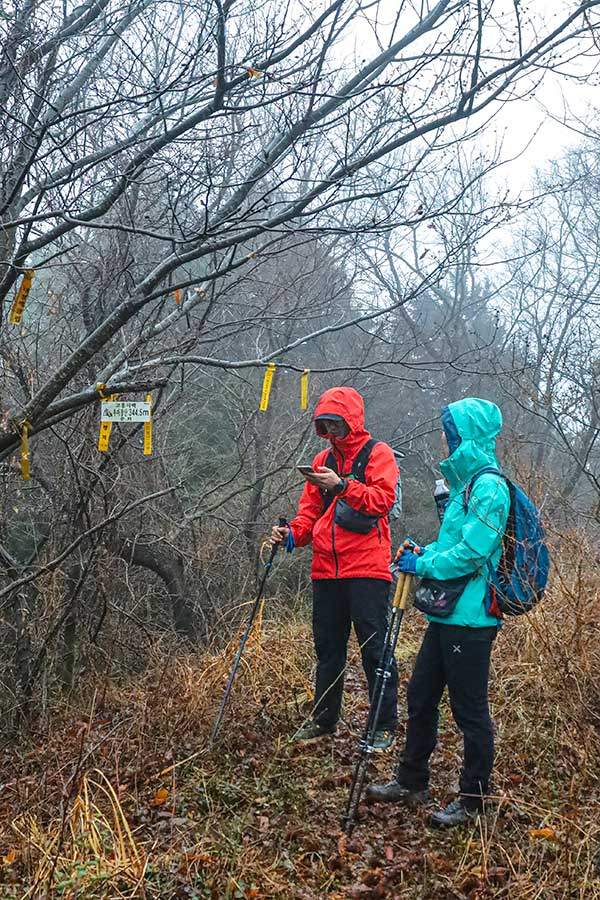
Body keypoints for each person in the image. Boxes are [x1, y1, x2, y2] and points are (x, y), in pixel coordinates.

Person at [367, 397, 510, 827]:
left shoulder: (489, 487)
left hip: (473, 620)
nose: (446, 440)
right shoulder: (467, 485)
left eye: (452, 433)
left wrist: (423, 565)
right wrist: (423, 551)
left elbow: (472, 553)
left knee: (470, 712)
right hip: (447, 615)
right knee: (421, 696)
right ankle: (411, 781)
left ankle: (473, 800)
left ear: (469, 436)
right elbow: (451, 547)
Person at [271, 387, 400, 751]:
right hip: (326, 571)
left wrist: (342, 486)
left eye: (336, 424)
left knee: (374, 649)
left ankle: (383, 725)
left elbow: (382, 500)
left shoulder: (378, 453)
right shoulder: (321, 459)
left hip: (368, 570)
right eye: (324, 426)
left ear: (351, 421)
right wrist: (291, 534)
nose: (331, 433)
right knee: (328, 649)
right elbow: (310, 514)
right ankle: (324, 719)